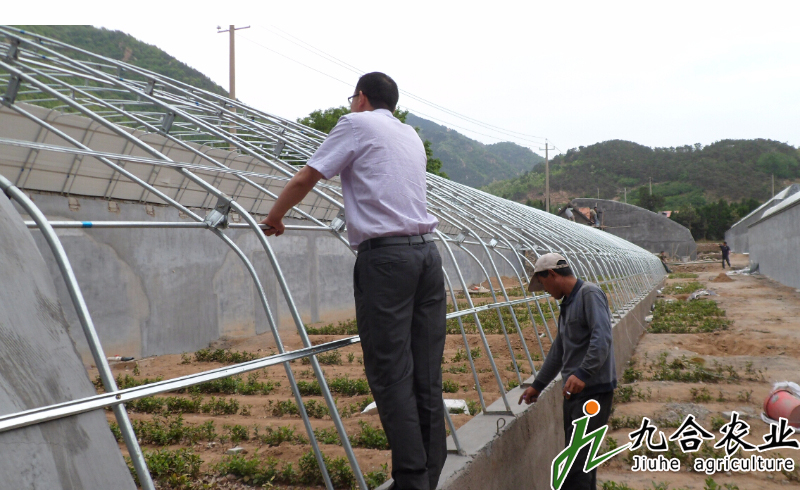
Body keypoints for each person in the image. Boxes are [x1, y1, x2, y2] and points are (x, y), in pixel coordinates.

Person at [261, 72, 446, 490]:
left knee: (391, 371)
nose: (349, 105)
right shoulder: (410, 135)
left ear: (361, 98)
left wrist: (275, 217)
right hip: (427, 256)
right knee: (425, 372)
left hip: (387, 261)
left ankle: (412, 481)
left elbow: (306, 177)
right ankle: (430, 475)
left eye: (351, 98)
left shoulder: (356, 124)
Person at [518, 253, 616, 490]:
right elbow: (560, 349)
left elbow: (602, 338)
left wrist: (583, 373)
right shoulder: (569, 303)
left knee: (577, 463)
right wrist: (538, 385)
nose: (545, 290)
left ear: (552, 274)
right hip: (576, 394)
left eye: (543, 284)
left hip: (593, 392)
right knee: (579, 461)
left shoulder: (589, 295)